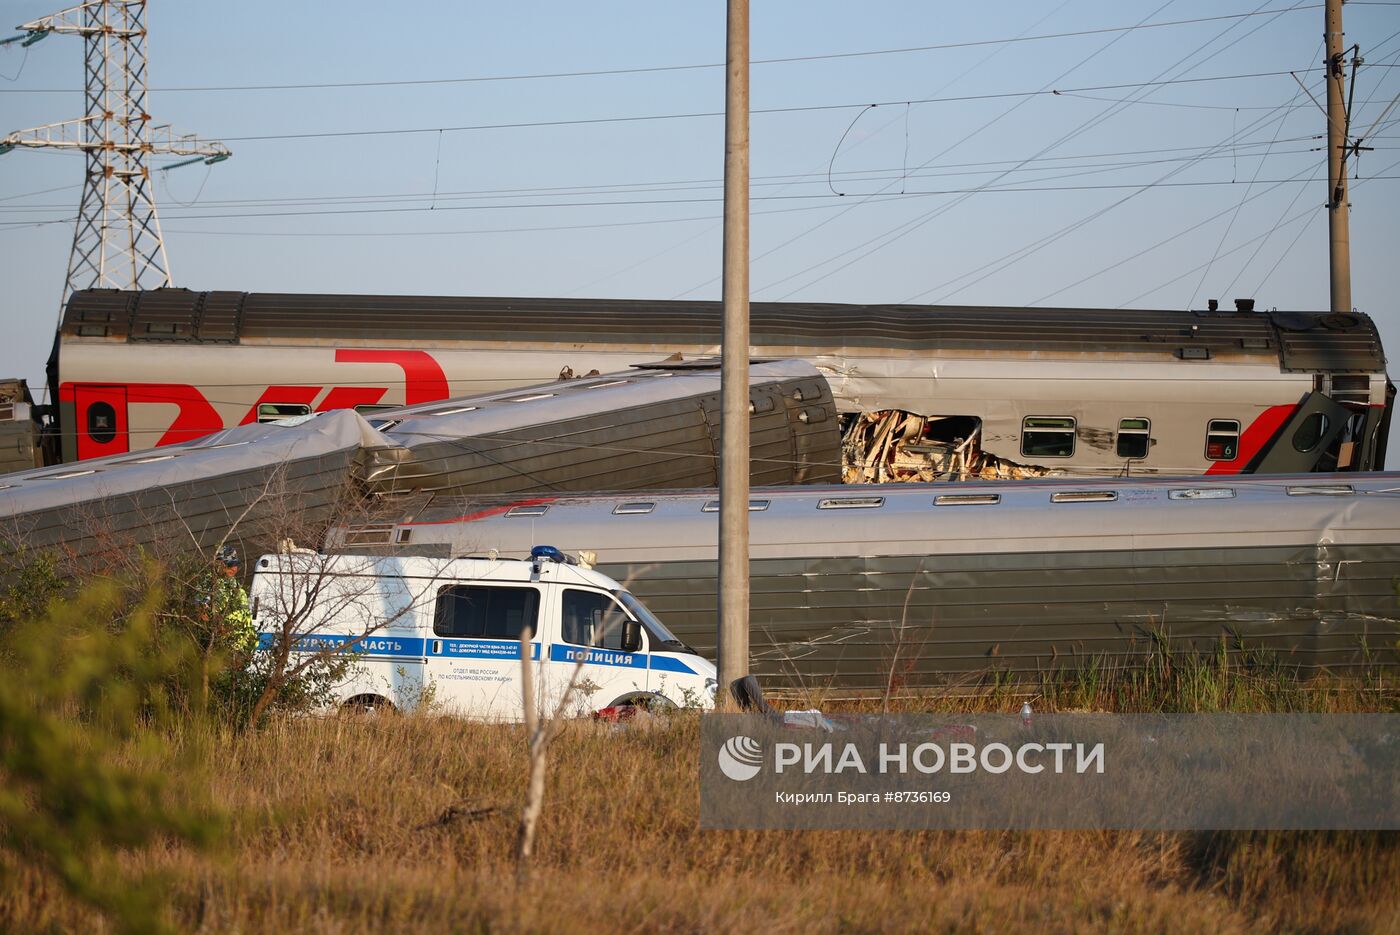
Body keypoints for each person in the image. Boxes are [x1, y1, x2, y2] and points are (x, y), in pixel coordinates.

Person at [210, 546, 255, 655]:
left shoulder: (235, 585)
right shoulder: (211, 585)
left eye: (236, 564)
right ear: (219, 565)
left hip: (242, 647)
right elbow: (204, 615)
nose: (234, 568)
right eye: (230, 565)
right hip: (224, 648)